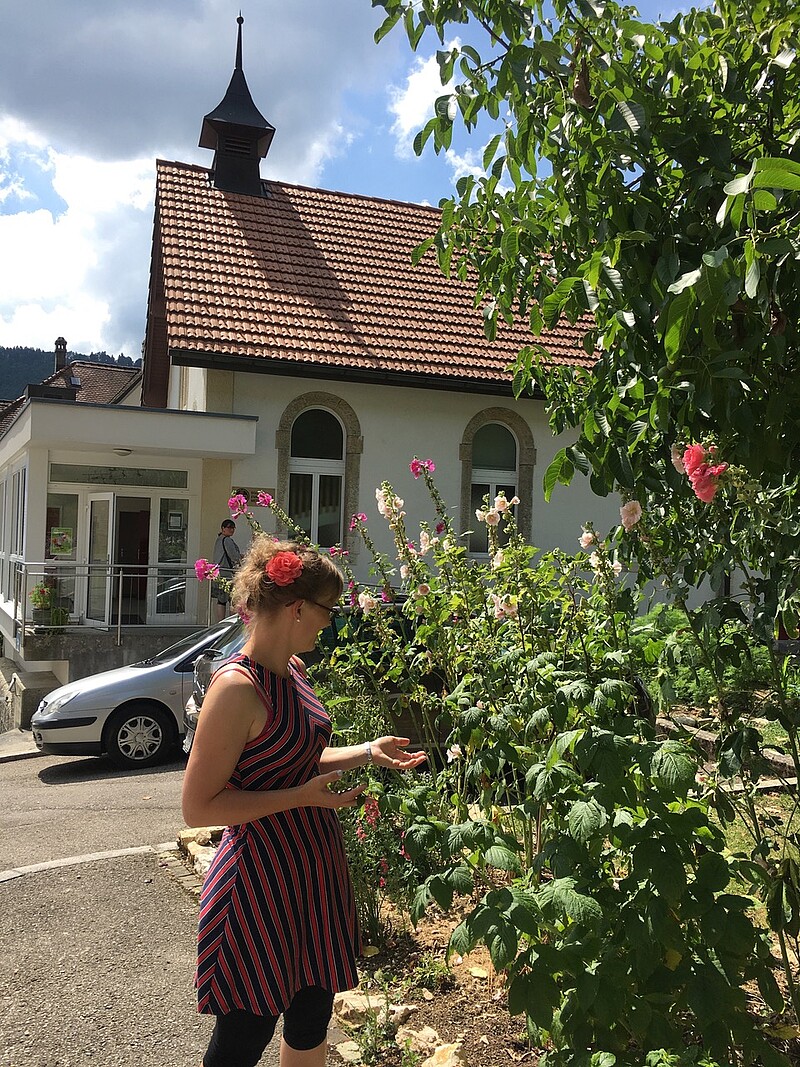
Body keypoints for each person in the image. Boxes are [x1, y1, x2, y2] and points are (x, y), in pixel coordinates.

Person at [182, 537, 427, 1067]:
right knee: (244, 1037)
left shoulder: (292, 669)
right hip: (259, 885)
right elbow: (199, 808)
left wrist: (367, 752)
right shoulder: (237, 688)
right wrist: (300, 797)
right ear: (297, 608)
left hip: (313, 875)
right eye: (327, 610)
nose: (330, 622)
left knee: (310, 1019)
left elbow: (294, 756)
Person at [211, 519, 242, 621]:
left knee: (221, 600)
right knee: (232, 600)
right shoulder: (227, 540)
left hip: (219, 573)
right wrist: (242, 558)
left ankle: (221, 623)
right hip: (227, 573)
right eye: (229, 527)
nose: (231, 530)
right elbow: (234, 556)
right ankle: (231, 624)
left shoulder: (218, 539)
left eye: (233, 528)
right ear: (223, 528)